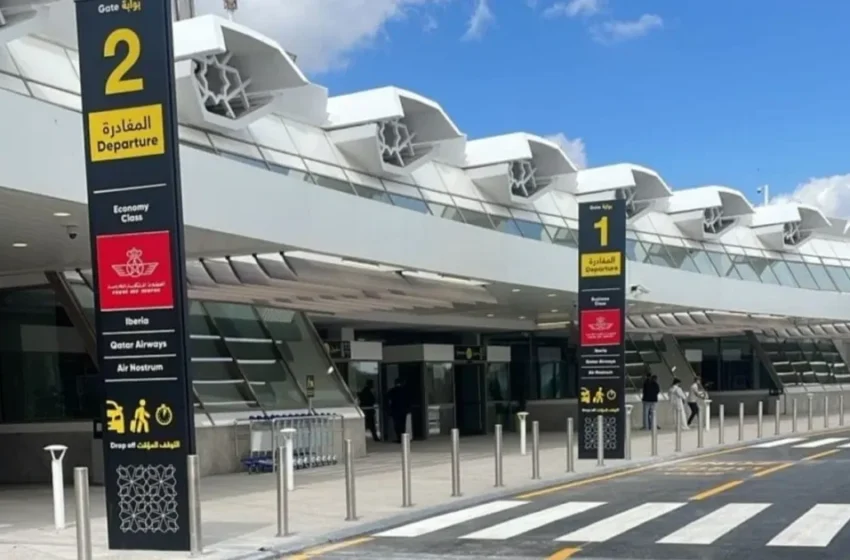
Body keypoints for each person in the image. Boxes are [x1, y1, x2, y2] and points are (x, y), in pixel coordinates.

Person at [386, 377, 410, 443]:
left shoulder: (392, 391)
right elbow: (408, 401)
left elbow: (388, 400)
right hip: (403, 410)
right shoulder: (405, 391)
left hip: (395, 411)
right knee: (403, 424)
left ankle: (399, 438)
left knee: (397, 425)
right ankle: (403, 438)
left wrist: (389, 409)